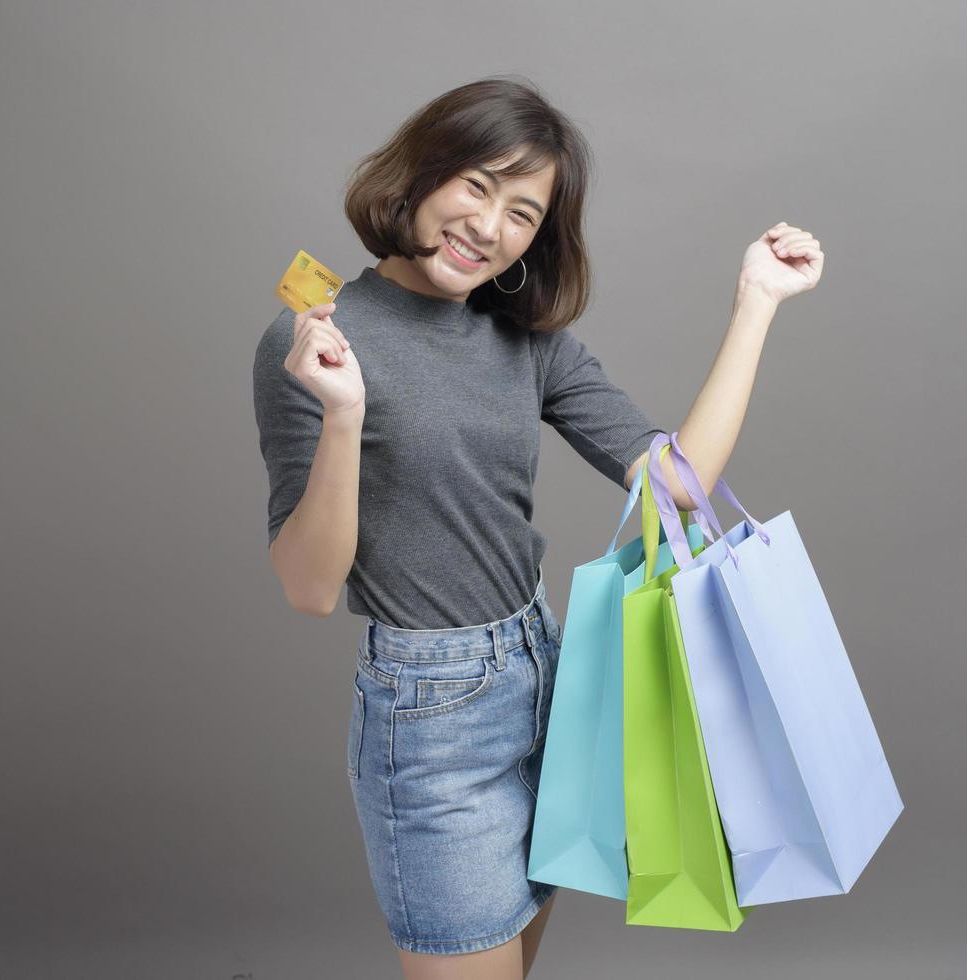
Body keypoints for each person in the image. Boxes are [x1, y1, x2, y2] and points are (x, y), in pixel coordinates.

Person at [251, 75, 824, 979]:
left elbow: (677, 488)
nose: (489, 226)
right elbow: (310, 587)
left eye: (522, 211)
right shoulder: (324, 340)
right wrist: (345, 416)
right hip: (431, 722)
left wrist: (756, 301)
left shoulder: (525, 341)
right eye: (477, 186)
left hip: (546, 683)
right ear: (421, 174)